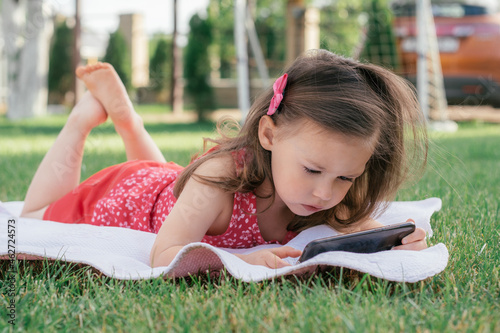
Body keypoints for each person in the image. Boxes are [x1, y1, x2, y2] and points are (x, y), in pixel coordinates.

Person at [21, 50, 428, 269]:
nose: (325, 193)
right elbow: (164, 255)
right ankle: (81, 121)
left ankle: (129, 122)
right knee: (34, 215)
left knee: (167, 177)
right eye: (312, 170)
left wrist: (395, 239)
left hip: (172, 187)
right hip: (127, 195)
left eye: (345, 178)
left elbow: (361, 226)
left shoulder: (325, 192)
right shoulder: (218, 182)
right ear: (268, 135)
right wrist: (239, 260)